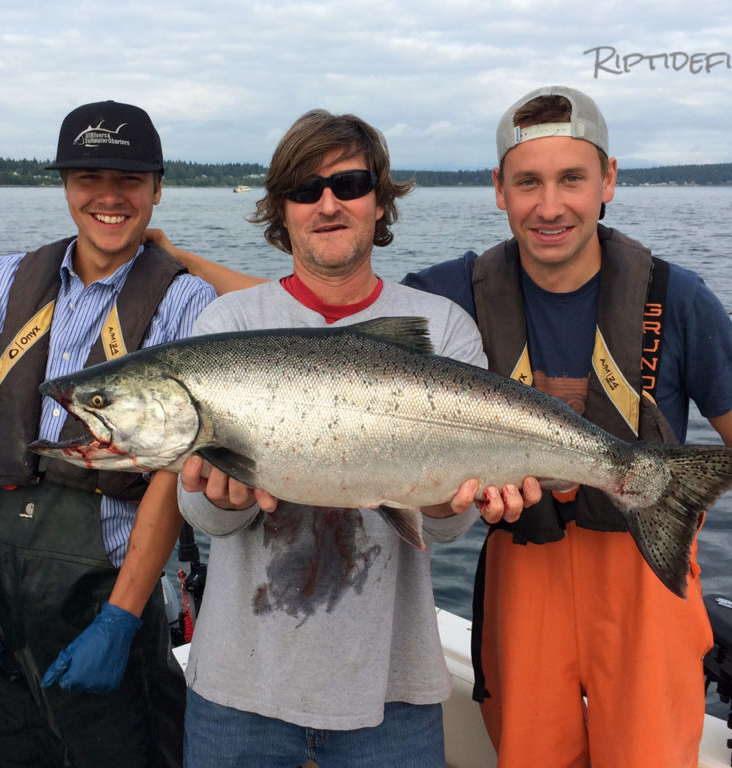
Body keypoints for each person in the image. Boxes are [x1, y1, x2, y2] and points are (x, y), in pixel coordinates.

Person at [400, 85, 732, 768]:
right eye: (528, 182)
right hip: (522, 571)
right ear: (499, 189)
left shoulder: (678, 299)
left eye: (571, 180)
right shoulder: (448, 295)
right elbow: (333, 328)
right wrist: (189, 272)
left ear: (608, 179)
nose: (549, 206)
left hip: (648, 574)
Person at [176, 108, 535, 768]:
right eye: (306, 189)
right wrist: (223, 500)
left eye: (350, 183)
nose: (329, 203)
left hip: (392, 690)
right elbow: (198, 511)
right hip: (240, 690)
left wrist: (442, 497)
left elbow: (448, 530)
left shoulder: (440, 327)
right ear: (281, 211)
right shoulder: (224, 325)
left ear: (380, 201)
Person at [0, 100, 216, 768]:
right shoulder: (3, 281)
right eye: (88, 177)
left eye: (130, 179)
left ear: (158, 187)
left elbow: (173, 471)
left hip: (109, 587)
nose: (108, 197)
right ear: (63, 185)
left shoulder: (185, 299)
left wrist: (120, 618)